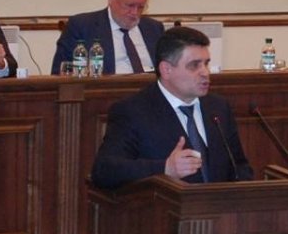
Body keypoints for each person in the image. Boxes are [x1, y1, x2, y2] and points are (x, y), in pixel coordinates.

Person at [91, 26, 253, 189]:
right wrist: (165, 168)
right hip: (162, 204)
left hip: (219, 204)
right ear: (166, 70)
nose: (205, 72)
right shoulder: (133, 111)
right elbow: (105, 170)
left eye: (206, 63)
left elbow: (239, 165)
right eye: (194, 65)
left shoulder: (218, 107)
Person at [51, 0, 165, 75]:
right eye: (129, 5)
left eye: (140, 7)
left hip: (150, 89)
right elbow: (60, 74)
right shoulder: (82, 26)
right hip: (106, 89)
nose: (135, 12)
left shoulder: (154, 29)